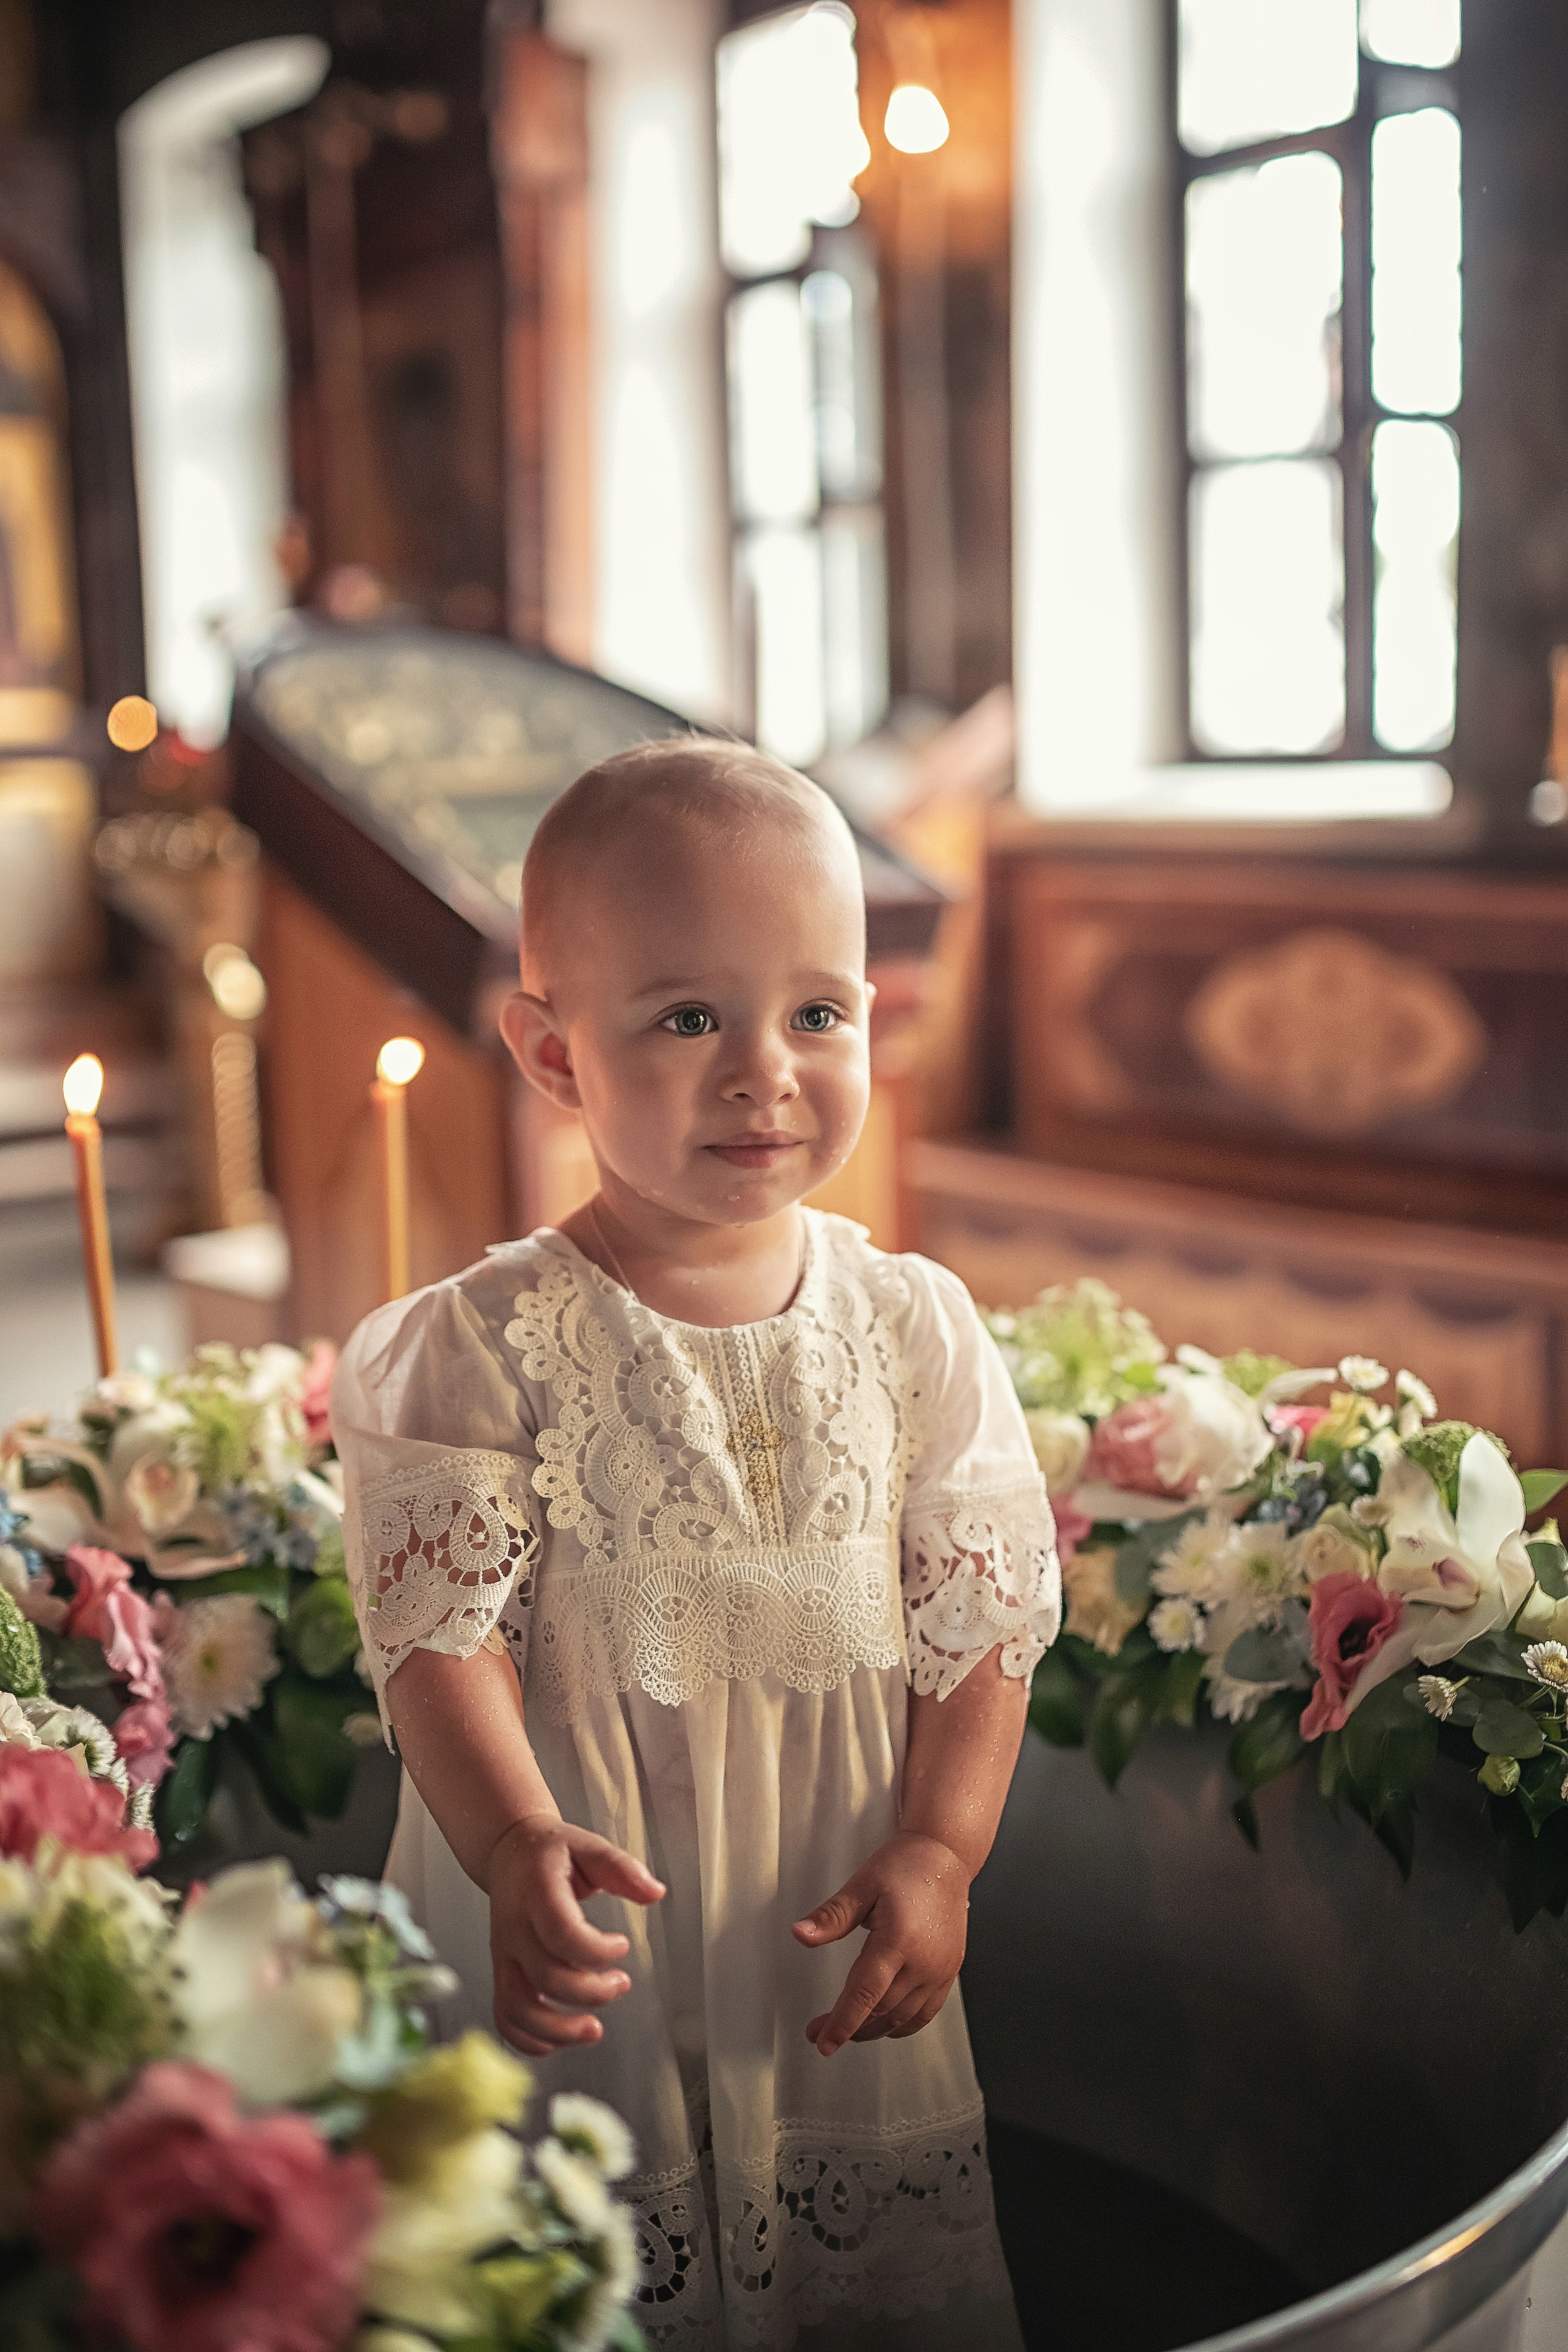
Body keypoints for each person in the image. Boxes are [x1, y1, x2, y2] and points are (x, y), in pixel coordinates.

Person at [333, 738, 1061, 2350]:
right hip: (584, 1913)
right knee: (582, 2264)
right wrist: (513, 1842)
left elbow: (980, 1624)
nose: (763, 1073)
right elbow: (440, 1642)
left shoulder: (915, 1327)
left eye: (818, 1013)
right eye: (685, 1019)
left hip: (822, 1905)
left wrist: (942, 1852)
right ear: (553, 1054)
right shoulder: (479, 1347)